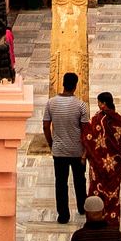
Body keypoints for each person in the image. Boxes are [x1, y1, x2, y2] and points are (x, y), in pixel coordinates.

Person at [43, 71, 88, 223]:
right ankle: (82, 207)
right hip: (77, 151)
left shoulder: (51, 103)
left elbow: (46, 126)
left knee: (61, 183)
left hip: (59, 150)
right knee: (80, 181)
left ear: (63, 84)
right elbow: (85, 131)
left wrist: (51, 143)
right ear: (75, 86)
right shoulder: (81, 105)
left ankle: (63, 215)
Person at [81, 90, 121, 223]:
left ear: (103, 104)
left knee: (97, 191)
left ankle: (95, 218)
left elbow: (89, 137)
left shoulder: (98, 119)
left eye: (98, 102)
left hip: (99, 164)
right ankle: (112, 220)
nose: (97, 104)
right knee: (113, 194)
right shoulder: (119, 119)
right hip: (114, 165)